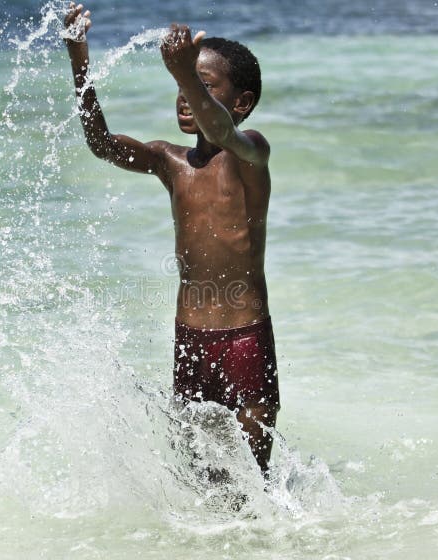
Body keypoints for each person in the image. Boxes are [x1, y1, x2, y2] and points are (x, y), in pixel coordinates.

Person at [63, 3, 279, 474]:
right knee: (198, 477)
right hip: (190, 340)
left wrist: (183, 72)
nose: (186, 96)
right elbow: (99, 143)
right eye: (183, 84)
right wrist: (78, 56)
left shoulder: (251, 153)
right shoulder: (170, 161)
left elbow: (221, 130)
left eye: (203, 86)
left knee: (256, 483)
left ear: (240, 102)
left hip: (244, 338)